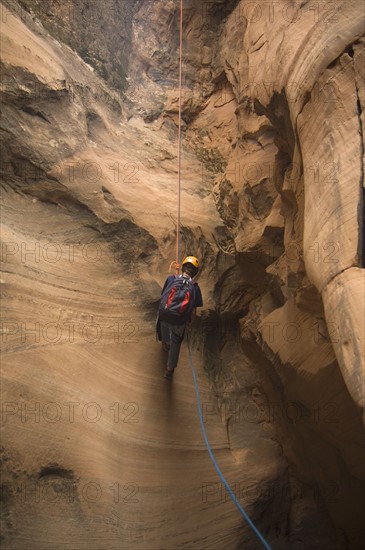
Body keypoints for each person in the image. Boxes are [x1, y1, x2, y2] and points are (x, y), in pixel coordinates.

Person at [157, 256, 203, 380]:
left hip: (165, 315)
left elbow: (163, 296)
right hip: (179, 321)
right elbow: (193, 309)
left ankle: (165, 343)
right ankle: (169, 370)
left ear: (183, 267)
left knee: (164, 326)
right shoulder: (195, 288)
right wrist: (189, 324)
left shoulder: (171, 279)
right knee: (176, 344)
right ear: (195, 273)